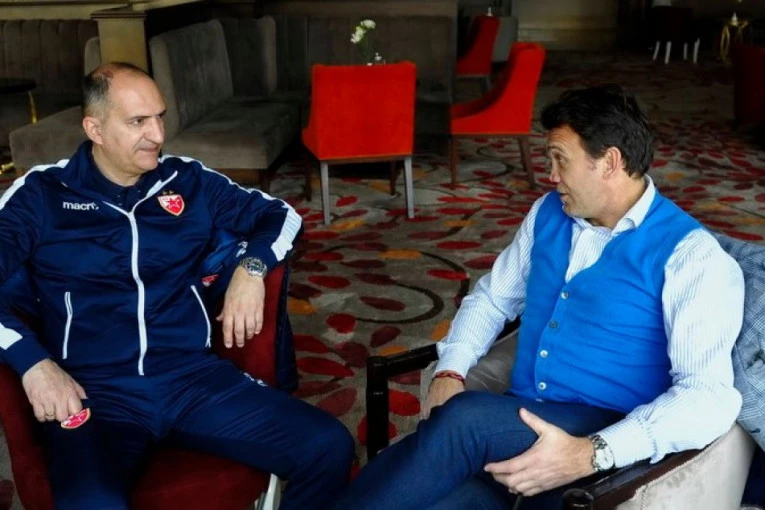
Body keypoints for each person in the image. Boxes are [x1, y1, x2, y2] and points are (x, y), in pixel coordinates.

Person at [332, 85, 745, 509]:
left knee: (465, 420)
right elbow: (493, 298)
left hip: (604, 428)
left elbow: (707, 395)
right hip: (522, 415)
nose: (551, 175)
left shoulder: (691, 257)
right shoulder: (548, 212)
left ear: (609, 162)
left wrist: (592, 452)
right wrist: (451, 370)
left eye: (560, 159)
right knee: (447, 496)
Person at [0, 62, 354, 510]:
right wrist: (33, 363)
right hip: (95, 391)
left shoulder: (186, 180)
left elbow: (281, 214)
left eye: (160, 117)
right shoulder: (41, 195)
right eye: (137, 122)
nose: (157, 135)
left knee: (328, 446)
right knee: (91, 502)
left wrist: (251, 269)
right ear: (95, 129)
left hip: (192, 378)